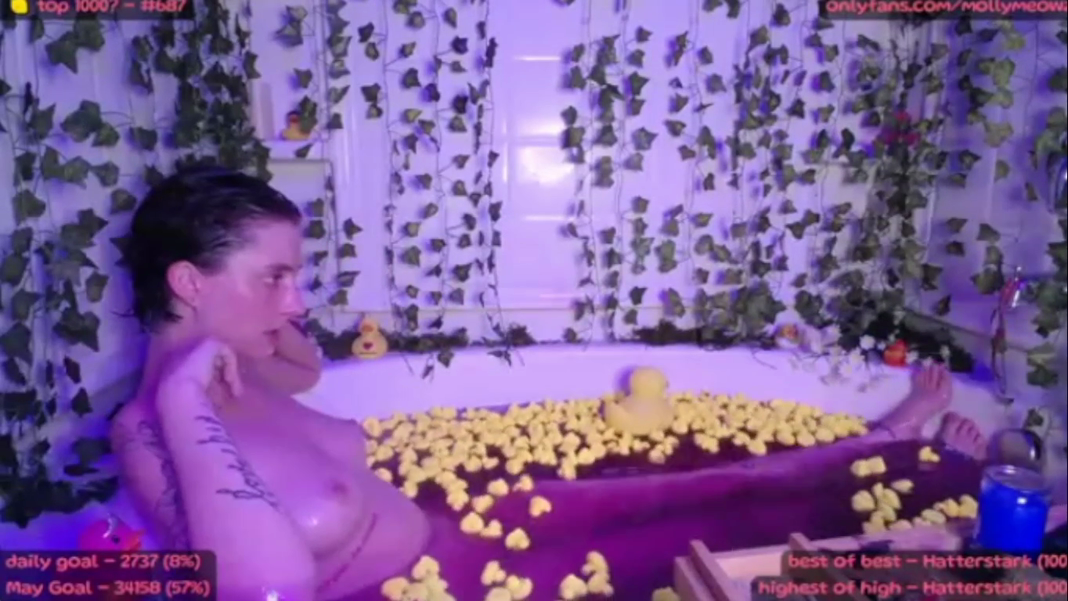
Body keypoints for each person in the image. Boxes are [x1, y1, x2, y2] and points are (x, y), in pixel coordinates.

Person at [112, 166, 991, 601]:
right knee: (716, 518)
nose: (299, 301)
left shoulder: (246, 360)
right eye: (275, 277)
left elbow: (308, 370)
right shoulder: (156, 427)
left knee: (712, 488)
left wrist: (256, 315)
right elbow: (265, 592)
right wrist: (185, 403)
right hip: (459, 577)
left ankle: (881, 444)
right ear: (189, 282)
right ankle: (893, 451)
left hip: (464, 512)